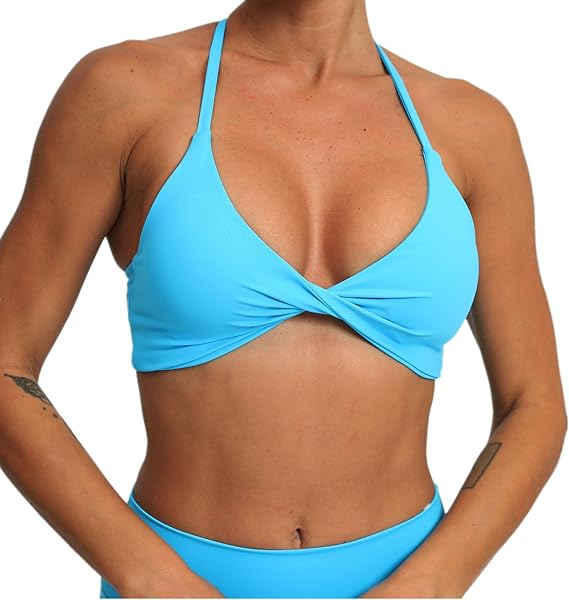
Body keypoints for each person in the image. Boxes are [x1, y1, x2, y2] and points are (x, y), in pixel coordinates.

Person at [0, 1, 566, 598]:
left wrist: (434, 582)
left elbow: (533, 404)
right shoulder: (126, 92)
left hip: (404, 577)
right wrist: (150, 578)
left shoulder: (472, 128)